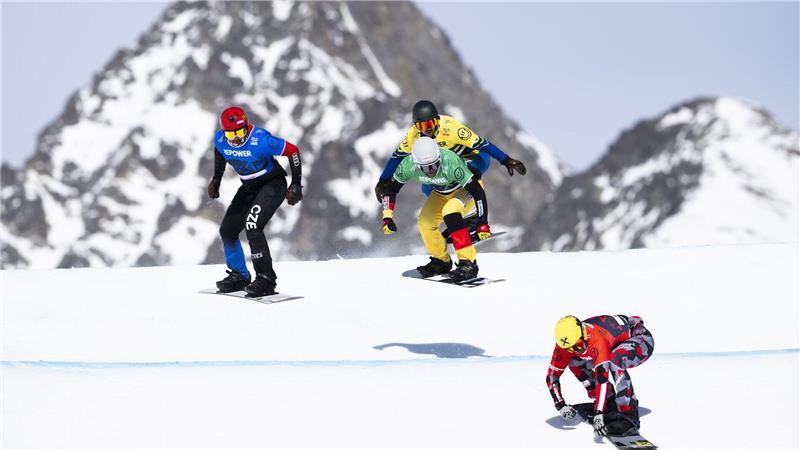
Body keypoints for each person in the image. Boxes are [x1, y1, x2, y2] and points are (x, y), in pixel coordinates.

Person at [374, 100, 527, 238]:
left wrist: (505, 160)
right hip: (447, 167)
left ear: (437, 121)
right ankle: (462, 218)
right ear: (416, 126)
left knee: (464, 177)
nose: (427, 130)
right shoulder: (413, 135)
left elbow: (483, 144)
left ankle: (473, 216)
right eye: (421, 126)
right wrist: (384, 180)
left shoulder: (451, 129)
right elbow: (397, 156)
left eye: (430, 125)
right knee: (428, 187)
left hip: (475, 160)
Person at [207, 106, 303, 296]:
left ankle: (266, 279)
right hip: (249, 187)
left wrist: (296, 184)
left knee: (252, 224)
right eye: (231, 135)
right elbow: (220, 150)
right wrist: (216, 178)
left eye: (241, 132)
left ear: (248, 128)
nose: (237, 139)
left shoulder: (262, 140)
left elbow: (293, 151)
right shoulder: (220, 139)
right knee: (227, 231)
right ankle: (240, 275)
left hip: (273, 184)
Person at [381, 136, 491, 281]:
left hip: (466, 190)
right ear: (416, 163)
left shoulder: (450, 161)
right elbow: (391, 189)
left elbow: (477, 191)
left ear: (439, 157)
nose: (431, 170)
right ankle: (441, 261)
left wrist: (483, 222)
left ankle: (468, 263)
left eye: (434, 165)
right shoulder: (408, 165)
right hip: (441, 193)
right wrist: (387, 216)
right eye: (426, 168)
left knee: (450, 212)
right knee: (425, 222)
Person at [546, 315, 654, 437]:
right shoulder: (565, 344)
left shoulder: (597, 339)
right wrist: (560, 405)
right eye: (570, 349)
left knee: (615, 361)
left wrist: (598, 412)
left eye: (579, 345)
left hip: (640, 338)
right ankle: (609, 402)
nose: (577, 350)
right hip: (614, 341)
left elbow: (602, 378)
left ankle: (629, 414)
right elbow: (552, 376)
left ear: (584, 335)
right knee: (574, 361)